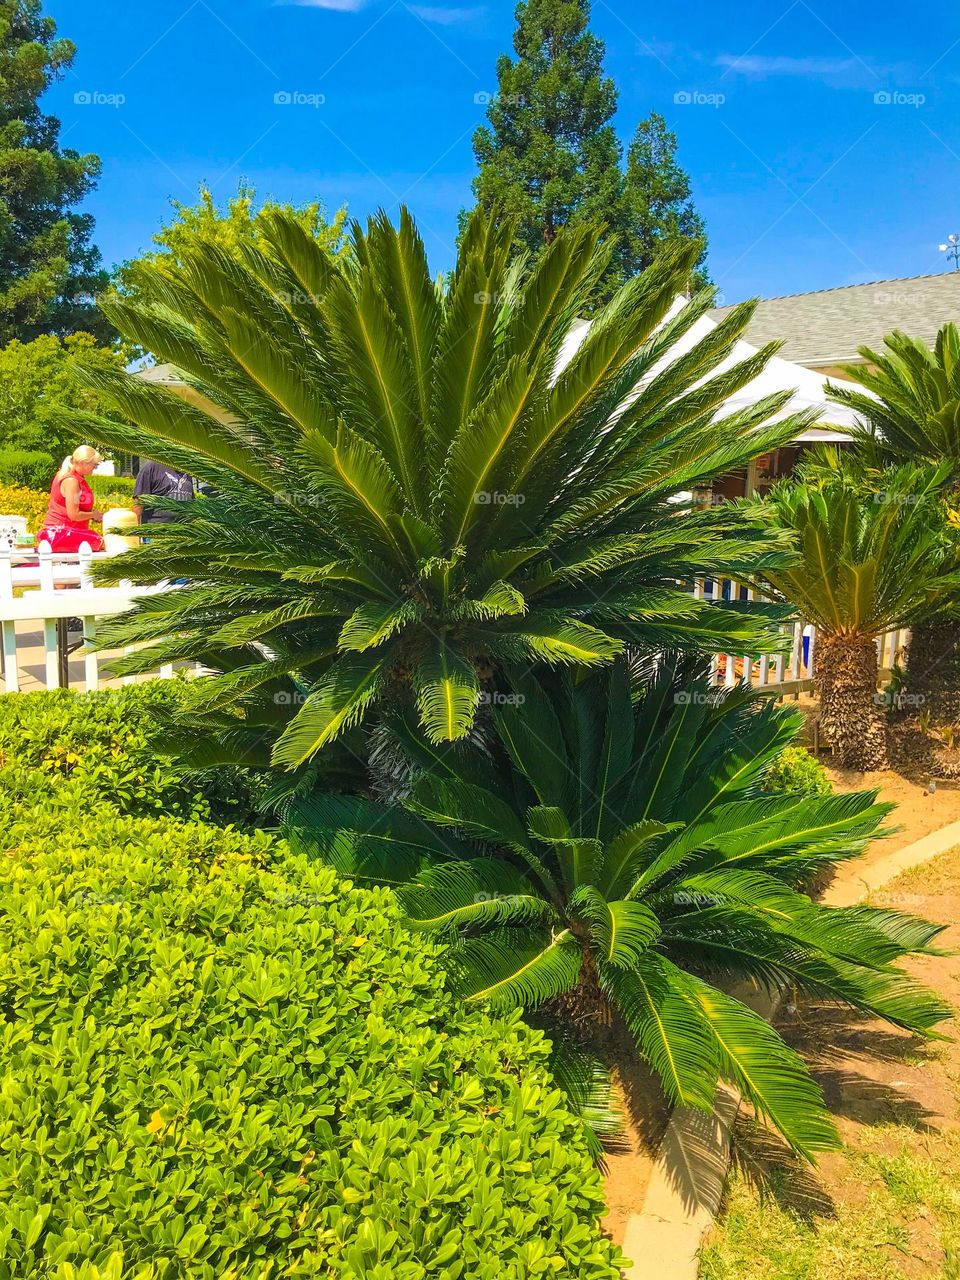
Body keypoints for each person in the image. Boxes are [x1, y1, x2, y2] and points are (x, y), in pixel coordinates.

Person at [38, 446, 106, 553]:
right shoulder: (71, 481)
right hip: (61, 532)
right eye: (94, 465)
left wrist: (91, 514)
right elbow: (74, 515)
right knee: (100, 542)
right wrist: (93, 515)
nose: (95, 468)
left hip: (61, 531)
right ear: (84, 463)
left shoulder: (69, 476)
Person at [132, 459, 195, 525]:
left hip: (184, 531)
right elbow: (139, 502)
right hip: (156, 532)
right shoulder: (151, 467)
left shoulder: (186, 472)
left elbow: (192, 502)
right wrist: (136, 530)